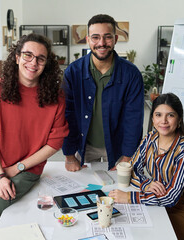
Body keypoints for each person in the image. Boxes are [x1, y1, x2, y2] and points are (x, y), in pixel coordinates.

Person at [0, 33, 69, 226]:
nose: (33, 62)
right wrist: (0, 174)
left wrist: (17, 168)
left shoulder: (56, 97)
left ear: (46, 64)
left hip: (28, 169)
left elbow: (55, 143)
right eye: (28, 55)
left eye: (40, 58)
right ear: (17, 58)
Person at [108, 93, 184, 240]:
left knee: (148, 236)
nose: (164, 121)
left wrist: (129, 197)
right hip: (156, 202)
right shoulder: (150, 138)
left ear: (179, 119)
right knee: (125, 229)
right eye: (158, 115)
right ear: (153, 119)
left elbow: (171, 198)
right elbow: (131, 169)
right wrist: (147, 184)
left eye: (170, 115)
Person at [62, 14, 144, 171]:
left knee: (118, 192)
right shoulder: (73, 72)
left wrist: (127, 157)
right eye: (95, 37)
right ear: (87, 40)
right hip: (84, 146)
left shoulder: (131, 74)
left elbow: (133, 119)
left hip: (117, 147)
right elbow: (67, 115)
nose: (101, 43)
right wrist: (69, 155)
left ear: (115, 38)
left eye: (107, 37)